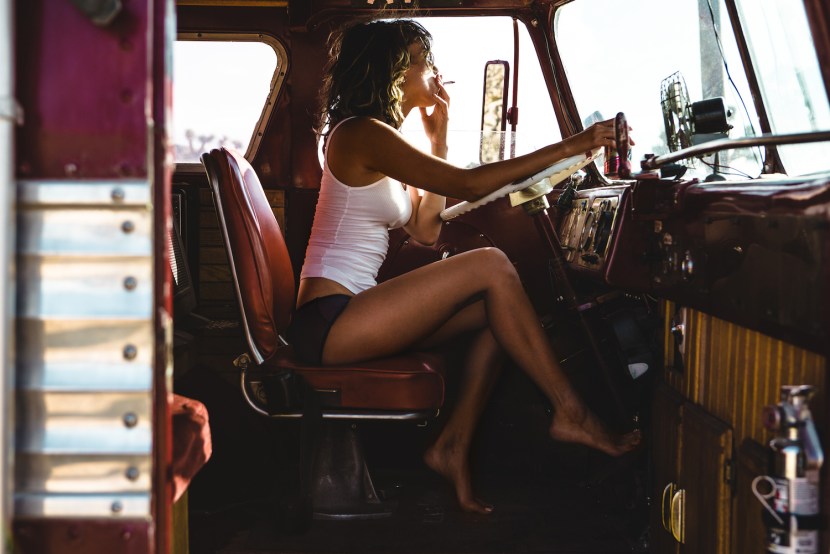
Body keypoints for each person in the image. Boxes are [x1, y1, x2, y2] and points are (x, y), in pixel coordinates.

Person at [286, 18, 639, 514]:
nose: (435, 72)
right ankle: (570, 410)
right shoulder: (360, 134)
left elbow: (426, 229)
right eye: (423, 60)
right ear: (392, 70)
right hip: (329, 321)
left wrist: (441, 136)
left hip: (351, 316)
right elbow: (469, 186)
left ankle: (451, 446)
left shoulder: (381, 140)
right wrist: (576, 143)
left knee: (503, 310)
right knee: (491, 265)